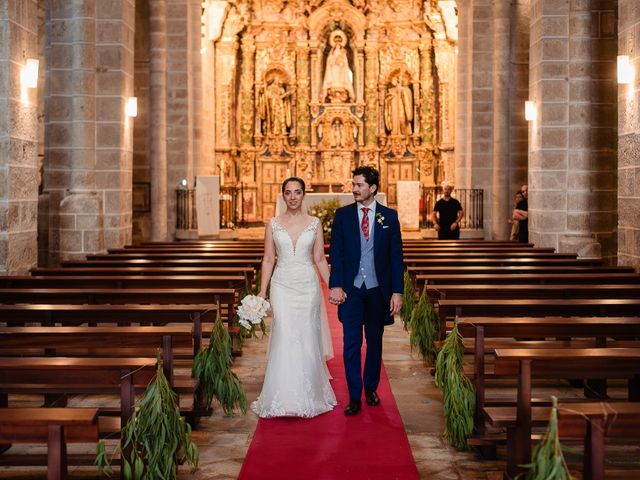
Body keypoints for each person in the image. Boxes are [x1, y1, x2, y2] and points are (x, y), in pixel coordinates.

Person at [252, 177, 337, 418]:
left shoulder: (314, 223)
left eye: (297, 192)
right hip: (282, 286)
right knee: (285, 335)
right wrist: (262, 290)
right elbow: (268, 259)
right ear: (282, 195)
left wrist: (332, 286)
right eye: (288, 193)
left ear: (303, 195)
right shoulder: (273, 224)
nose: (292, 197)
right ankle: (283, 396)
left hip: (308, 286)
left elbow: (320, 259)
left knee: (307, 336)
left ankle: (309, 395)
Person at [328, 166, 404, 416]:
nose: (354, 189)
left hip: (376, 290)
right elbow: (336, 253)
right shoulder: (343, 215)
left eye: (359, 185)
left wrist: (397, 291)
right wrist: (336, 284)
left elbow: (395, 257)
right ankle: (354, 395)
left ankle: (370, 388)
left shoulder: (389, 217)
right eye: (353, 184)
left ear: (372, 188)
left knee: (374, 341)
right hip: (351, 290)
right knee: (351, 343)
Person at [321, 30, 355, 102]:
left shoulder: (343, 52)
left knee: (341, 76)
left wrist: (341, 61)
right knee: (334, 75)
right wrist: (333, 61)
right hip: (333, 70)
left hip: (341, 70)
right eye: (336, 42)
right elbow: (329, 61)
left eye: (339, 42)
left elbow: (345, 63)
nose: (337, 44)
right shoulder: (332, 52)